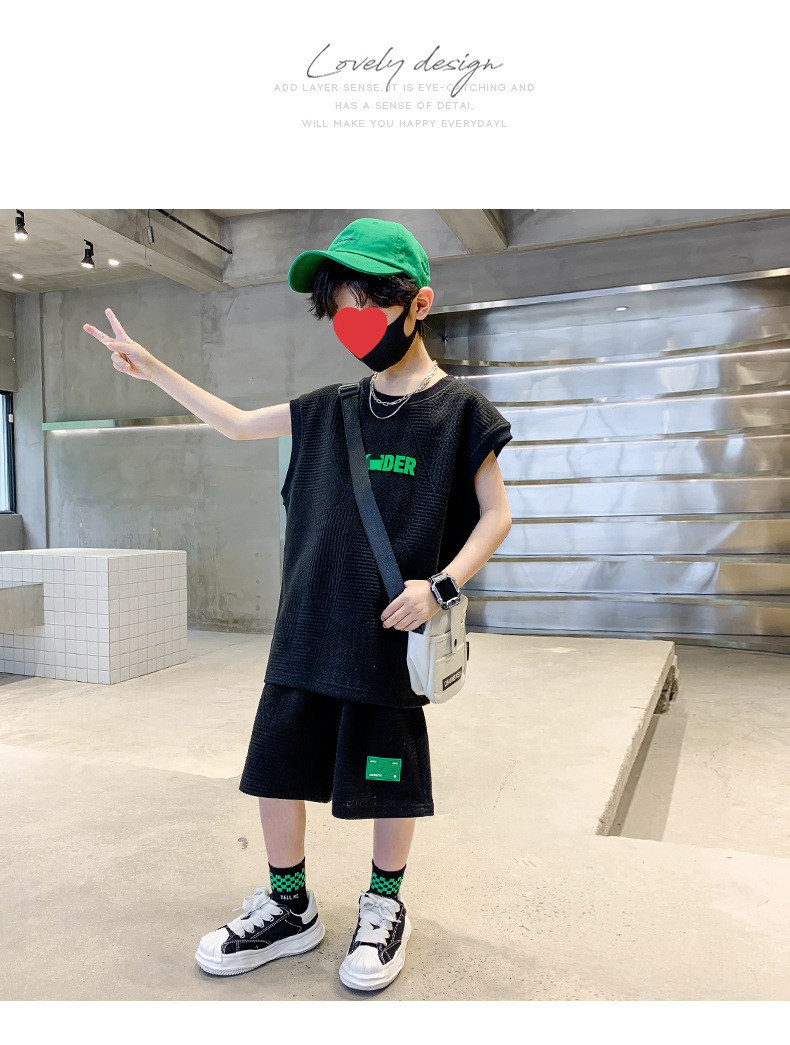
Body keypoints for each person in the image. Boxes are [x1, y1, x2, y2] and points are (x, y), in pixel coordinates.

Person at [83, 217, 513, 993]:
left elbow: (497, 515)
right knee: (276, 767)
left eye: (366, 312)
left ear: (418, 304)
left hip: (386, 637)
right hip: (307, 627)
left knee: (388, 777)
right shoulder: (328, 409)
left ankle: (384, 906)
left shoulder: (461, 414)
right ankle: (289, 906)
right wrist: (155, 370)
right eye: (341, 316)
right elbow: (237, 423)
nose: (353, 331)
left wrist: (440, 587)